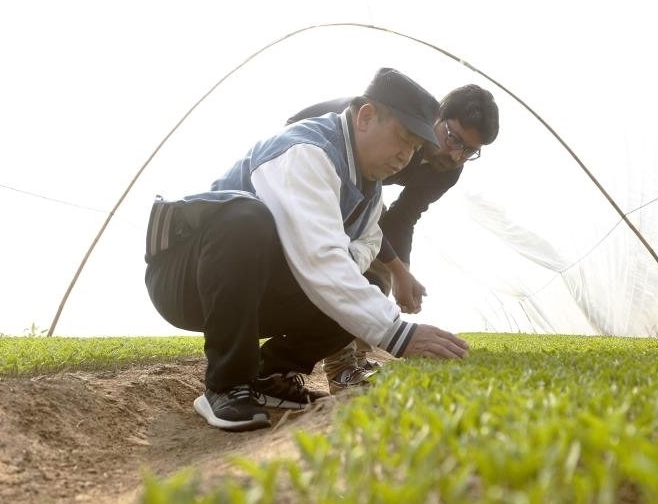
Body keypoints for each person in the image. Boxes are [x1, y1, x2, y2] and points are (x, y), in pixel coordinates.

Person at [143, 67, 470, 432]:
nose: (405, 157)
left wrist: (347, 270)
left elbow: (361, 248)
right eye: (402, 139)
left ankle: (269, 376)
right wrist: (400, 334)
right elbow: (319, 258)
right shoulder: (307, 150)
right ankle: (226, 384)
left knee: (365, 285)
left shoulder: (370, 193)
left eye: (413, 148)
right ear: (365, 117)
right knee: (246, 219)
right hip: (183, 278)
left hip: (254, 288)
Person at [287, 83, 499, 392]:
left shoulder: (449, 170)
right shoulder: (392, 127)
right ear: (436, 117)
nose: (455, 155)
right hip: (311, 160)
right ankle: (339, 363)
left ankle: (351, 352)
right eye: (452, 138)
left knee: (380, 270)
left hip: (361, 189)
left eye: (469, 151)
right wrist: (396, 271)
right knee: (348, 257)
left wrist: (403, 273)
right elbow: (365, 208)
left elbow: (404, 217)